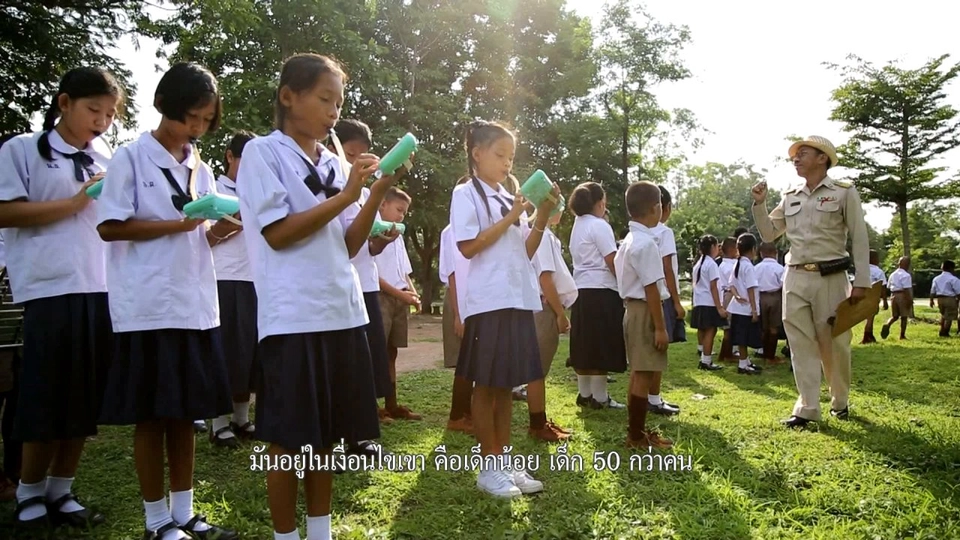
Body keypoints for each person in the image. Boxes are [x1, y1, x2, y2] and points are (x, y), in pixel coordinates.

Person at [236, 53, 395, 540]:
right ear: (288, 96)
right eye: (324, 99)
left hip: (340, 312)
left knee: (325, 434)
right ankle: (287, 535)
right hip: (293, 318)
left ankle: (320, 531)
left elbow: (348, 245)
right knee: (288, 439)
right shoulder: (264, 153)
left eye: (339, 102)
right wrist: (349, 195)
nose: (333, 111)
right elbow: (278, 233)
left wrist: (372, 193)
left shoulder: (333, 161)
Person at [96, 62, 238, 540]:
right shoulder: (130, 159)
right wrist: (177, 225)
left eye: (205, 120)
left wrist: (219, 229)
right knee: (153, 415)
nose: (195, 128)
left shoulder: (200, 165)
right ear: (165, 107)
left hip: (196, 305)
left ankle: (184, 512)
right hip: (148, 306)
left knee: (186, 413)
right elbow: (109, 226)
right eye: (190, 118)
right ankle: (156, 520)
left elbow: (201, 237)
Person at [0, 67, 122, 529]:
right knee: (45, 394)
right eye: (94, 110)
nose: (102, 121)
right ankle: (29, 492)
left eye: (110, 114)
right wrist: (75, 202)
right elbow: (5, 210)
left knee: (86, 396)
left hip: (99, 286)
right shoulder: (22, 151)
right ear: (65, 102)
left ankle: (61, 488)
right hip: (49, 288)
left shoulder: (105, 157)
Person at [450, 120, 556, 498]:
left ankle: (503, 459)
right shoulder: (467, 194)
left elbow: (523, 252)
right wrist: (512, 217)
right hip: (489, 300)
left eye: (511, 157)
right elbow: (468, 246)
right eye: (500, 155)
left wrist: (540, 215)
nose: (507, 163)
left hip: (517, 297)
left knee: (506, 384)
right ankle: (488, 465)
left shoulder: (509, 195)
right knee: (487, 384)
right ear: (477, 153)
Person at [752, 135, 870, 428]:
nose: (796, 157)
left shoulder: (843, 192)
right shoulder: (790, 195)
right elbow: (769, 234)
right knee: (799, 343)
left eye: (803, 153)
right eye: (795, 154)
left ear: (822, 158)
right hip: (794, 276)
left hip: (831, 276)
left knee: (835, 343)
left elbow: (860, 237)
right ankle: (807, 407)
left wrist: (862, 281)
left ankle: (839, 400)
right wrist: (759, 204)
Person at [330, 119, 401, 457]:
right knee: (340, 367)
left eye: (361, 155)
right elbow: (341, 243)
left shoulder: (359, 193)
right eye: (349, 153)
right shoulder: (334, 187)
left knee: (364, 364)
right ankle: (340, 439)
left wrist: (381, 242)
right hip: (339, 287)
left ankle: (360, 434)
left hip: (366, 285)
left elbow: (362, 246)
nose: (355, 161)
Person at [207, 131, 258, 449]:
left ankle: (242, 417)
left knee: (249, 354)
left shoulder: (258, 191)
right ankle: (219, 423)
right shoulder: (213, 188)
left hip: (255, 279)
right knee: (226, 353)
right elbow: (205, 234)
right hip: (223, 277)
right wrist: (229, 224)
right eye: (245, 160)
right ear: (229, 156)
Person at [613, 181, 673, 449]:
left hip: (631, 309)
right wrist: (660, 328)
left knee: (639, 372)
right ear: (655, 208)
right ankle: (636, 436)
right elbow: (651, 289)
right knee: (645, 373)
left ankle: (635, 431)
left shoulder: (629, 240)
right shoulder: (646, 243)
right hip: (644, 310)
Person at [568, 182, 625, 409]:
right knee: (602, 343)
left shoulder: (578, 224)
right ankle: (600, 397)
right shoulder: (599, 225)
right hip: (601, 290)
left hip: (581, 289)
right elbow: (612, 260)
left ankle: (585, 393)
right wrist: (625, 284)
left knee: (585, 344)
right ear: (599, 203)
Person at [374, 187, 422, 420]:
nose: (401, 216)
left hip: (400, 298)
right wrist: (400, 294)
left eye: (404, 212)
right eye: (398, 210)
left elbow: (405, 271)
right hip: (380, 297)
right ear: (382, 205)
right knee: (376, 352)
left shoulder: (398, 236)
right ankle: (373, 406)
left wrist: (413, 294)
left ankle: (392, 403)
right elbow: (371, 273)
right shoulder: (373, 231)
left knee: (391, 352)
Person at [529, 208, 576, 441]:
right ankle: (537, 425)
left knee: (538, 369)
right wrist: (560, 313)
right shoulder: (543, 236)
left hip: (541, 305)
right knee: (537, 370)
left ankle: (540, 420)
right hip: (543, 307)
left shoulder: (546, 235)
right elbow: (545, 278)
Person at [649, 186, 683, 416]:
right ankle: (654, 398)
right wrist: (678, 301)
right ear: (665, 207)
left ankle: (649, 397)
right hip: (663, 295)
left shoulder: (640, 232)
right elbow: (667, 268)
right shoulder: (664, 232)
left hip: (645, 297)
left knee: (648, 349)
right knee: (660, 350)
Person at [440, 217, 474, 434]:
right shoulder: (451, 231)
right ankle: (457, 416)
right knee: (464, 360)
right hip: (458, 299)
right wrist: (458, 314)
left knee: (472, 360)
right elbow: (452, 273)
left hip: (474, 299)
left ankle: (468, 412)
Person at [724, 234, 763, 375]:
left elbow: (731, 285)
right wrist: (754, 310)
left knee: (741, 338)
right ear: (753, 249)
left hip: (737, 307)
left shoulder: (737, 264)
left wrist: (736, 296)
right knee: (745, 338)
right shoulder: (748, 266)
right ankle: (743, 364)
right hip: (746, 309)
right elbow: (751, 289)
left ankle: (745, 361)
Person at [690, 235, 727, 371]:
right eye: (717, 246)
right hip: (709, 302)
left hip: (699, 301)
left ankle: (702, 352)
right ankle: (706, 360)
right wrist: (719, 307)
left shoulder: (698, 263)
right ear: (712, 247)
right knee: (711, 330)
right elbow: (713, 287)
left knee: (702, 328)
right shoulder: (711, 264)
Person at [755, 242, 785, 363]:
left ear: (761, 254)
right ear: (775, 253)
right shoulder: (780, 268)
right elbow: (783, 284)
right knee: (774, 328)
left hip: (760, 296)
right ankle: (771, 356)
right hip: (775, 296)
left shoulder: (756, 268)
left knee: (763, 327)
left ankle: (763, 352)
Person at [716, 237, 739, 362]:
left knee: (729, 326)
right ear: (732, 250)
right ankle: (726, 354)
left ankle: (727, 353)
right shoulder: (731, 266)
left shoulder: (722, 265)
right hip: (730, 294)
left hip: (725, 294)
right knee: (729, 327)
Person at [882, 257, 913, 340]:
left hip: (893, 295)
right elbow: (906, 289)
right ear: (907, 264)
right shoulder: (906, 275)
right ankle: (902, 335)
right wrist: (910, 300)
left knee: (894, 316)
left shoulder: (893, 274)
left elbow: (888, 286)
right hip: (902, 295)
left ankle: (888, 324)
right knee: (904, 316)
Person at [861, 249, 888, 344]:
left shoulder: (862, 270)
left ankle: (870, 334)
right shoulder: (878, 271)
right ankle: (867, 336)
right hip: (873, 297)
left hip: (863, 295)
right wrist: (885, 300)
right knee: (870, 317)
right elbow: (883, 287)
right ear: (874, 259)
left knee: (867, 316)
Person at [930, 260, 960, 338]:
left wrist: (931, 300)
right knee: (949, 316)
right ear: (951, 268)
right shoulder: (953, 279)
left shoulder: (936, 278)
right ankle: (945, 332)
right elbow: (958, 291)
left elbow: (932, 290)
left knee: (943, 315)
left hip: (940, 299)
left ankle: (942, 329)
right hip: (950, 298)